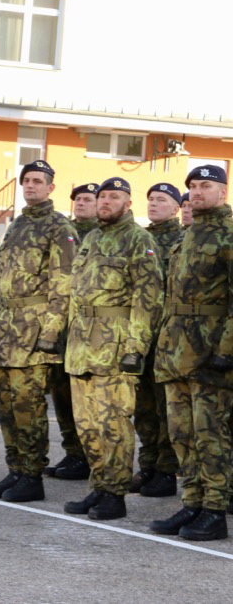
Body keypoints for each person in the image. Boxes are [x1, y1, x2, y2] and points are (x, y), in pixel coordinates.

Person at [63, 177, 162, 521]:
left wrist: (136, 347)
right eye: (102, 196)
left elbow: (147, 298)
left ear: (128, 203)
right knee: (87, 425)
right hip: (82, 345)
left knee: (114, 424)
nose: (105, 201)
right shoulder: (90, 238)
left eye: (114, 196)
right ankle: (100, 485)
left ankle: (116, 494)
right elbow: (76, 293)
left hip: (115, 346)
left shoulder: (139, 240)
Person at [0, 161, 76, 503]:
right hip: (8, 330)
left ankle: (32, 475)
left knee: (28, 406)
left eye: (38, 181)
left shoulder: (58, 227)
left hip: (34, 332)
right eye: (26, 181)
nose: (31, 186)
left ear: (51, 188)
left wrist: (50, 332)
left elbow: (63, 284)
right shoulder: (19, 223)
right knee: (5, 404)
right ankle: (16, 469)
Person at [151, 165, 233, 541]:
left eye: (207, 186)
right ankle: (193, 502)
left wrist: (227, 351)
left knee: (210, 434)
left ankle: (215, 510)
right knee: (181, 433)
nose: (198, 192)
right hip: (176, 350)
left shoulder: (228, 234)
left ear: (223, 192)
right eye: (194, 187)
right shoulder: (189, 234)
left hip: (209, 349)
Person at [43, 183, 101, 480]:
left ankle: (89, 454)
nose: (81, 203)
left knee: (85, 399)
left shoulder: (98, 236)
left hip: (86, 329)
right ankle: (73, 452)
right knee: (61, 394)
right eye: (77, 198)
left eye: (88, 199)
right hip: (60, 327)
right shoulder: (64, 230)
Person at [131, 183, 183, 497]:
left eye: (161, 200)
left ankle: (166, 471)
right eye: (150, 199)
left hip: (168, 336)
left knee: (167, 410)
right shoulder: (142, 239)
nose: (153, 204)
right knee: (144, 408)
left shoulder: (181, 240)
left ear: (176, 208)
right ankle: (148, 465)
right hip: (141, 335)